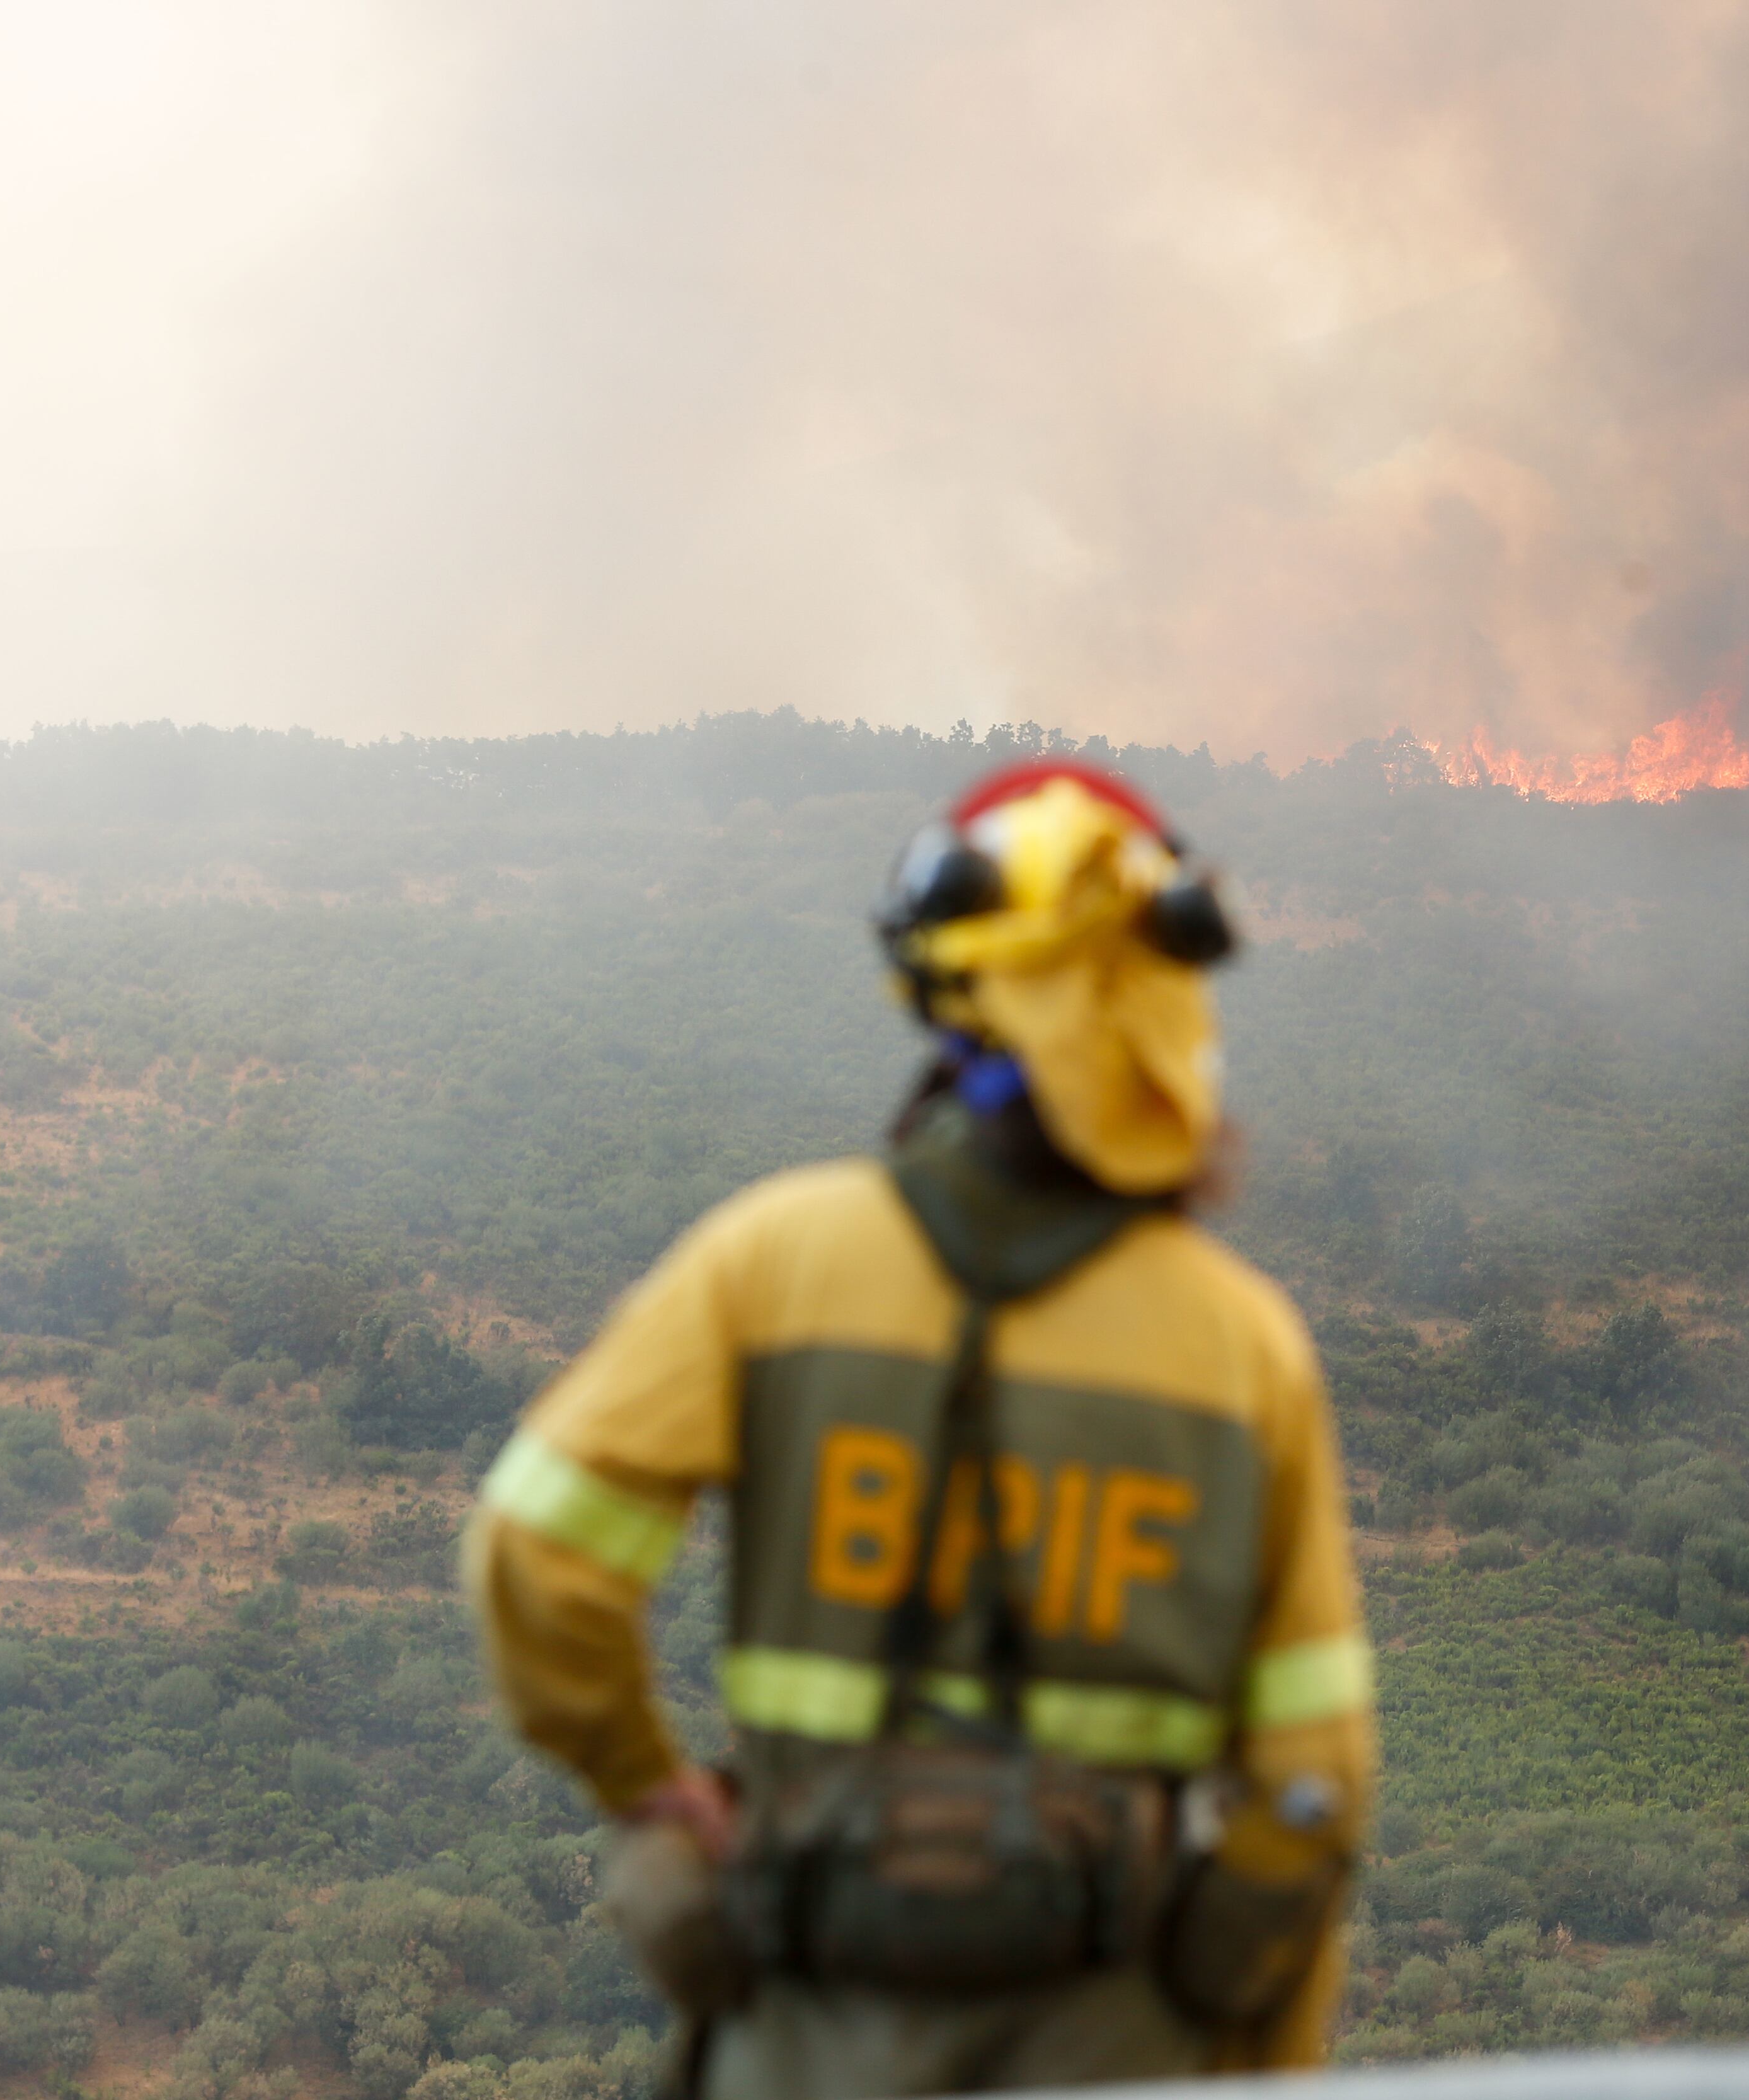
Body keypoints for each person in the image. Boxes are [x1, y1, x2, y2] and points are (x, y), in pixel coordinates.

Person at [462, 761, 1375, 2095]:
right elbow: (1316, 1778)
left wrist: (650, 1786)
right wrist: (1230, 2019)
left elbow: (534, 1554)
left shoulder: (769, 1259)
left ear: (946, 997)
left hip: (806, 2024)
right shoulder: (1244, 1347)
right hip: (1118, 2037)